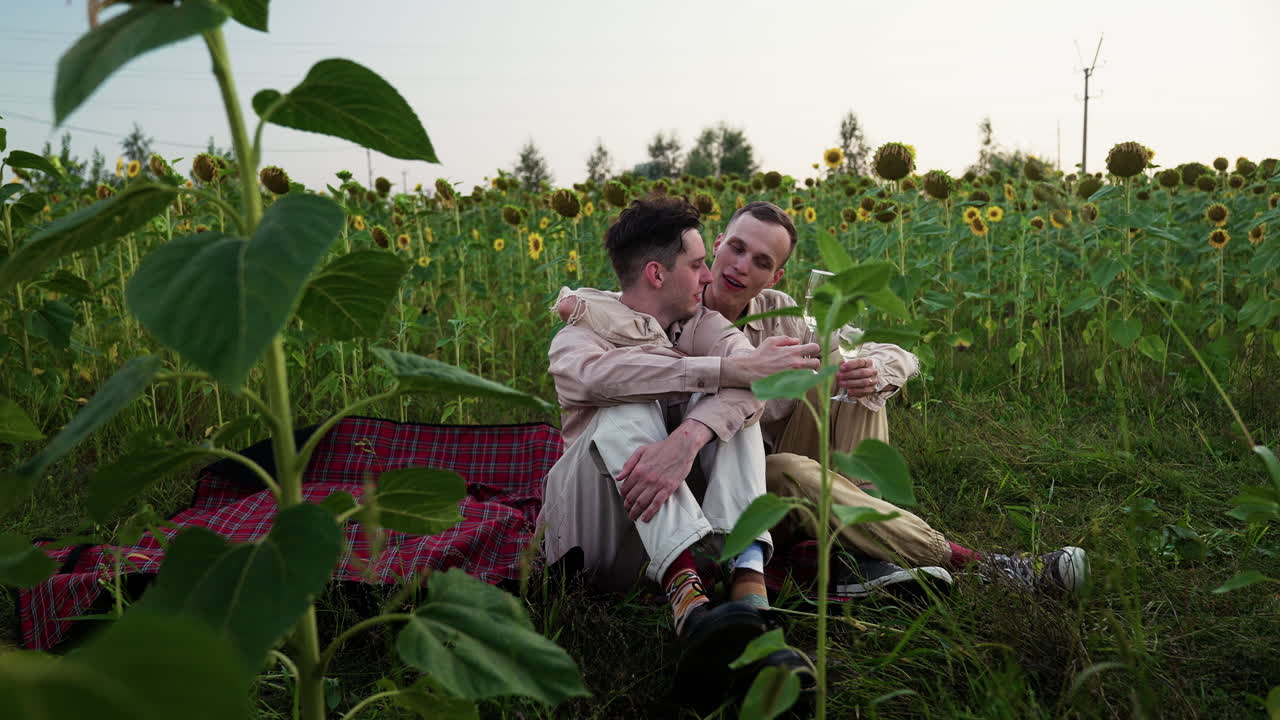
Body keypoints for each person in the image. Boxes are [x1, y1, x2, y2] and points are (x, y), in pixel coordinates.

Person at [556, 200, 1089, 596]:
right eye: (734, 249)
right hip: (735, 478)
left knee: (860, 389)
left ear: (775, 275)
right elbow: (675, 379)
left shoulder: (781, 311)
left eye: (761, 261)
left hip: (775, 470)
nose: (741, 266)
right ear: (715, 246)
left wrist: (871, 369)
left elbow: (897, 355)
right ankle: (976, 564)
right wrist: (736, 380)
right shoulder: (682, 317)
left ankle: (860, 537)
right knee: (786, 465)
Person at [538, 194, 821, 702]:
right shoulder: (578, 334)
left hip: (672, 532)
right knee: (626, 404)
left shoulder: (703, 326)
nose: (709, 277)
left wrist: (689, 437)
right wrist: (722, 371)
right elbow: (599, 379)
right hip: (593, 541)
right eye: (697, 266)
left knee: (735, 412)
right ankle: (688, 593)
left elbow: (748, 380)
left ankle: (743, 596)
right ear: (655, 273)